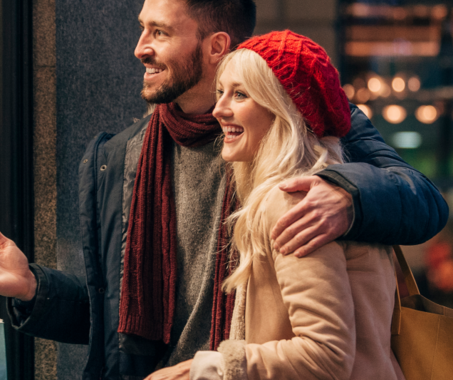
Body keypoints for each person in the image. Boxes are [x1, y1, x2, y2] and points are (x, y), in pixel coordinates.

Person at [0, 0, 448, 378]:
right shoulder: (118, 158)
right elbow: (116, 324)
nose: (140, 47)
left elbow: (422, 199)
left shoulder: (310, 127)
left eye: (159, 32)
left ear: (215, 46)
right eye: (142, 28)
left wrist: (345, 193)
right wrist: (34, 288)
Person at [155, 30, 403, 380]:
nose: (220, 109)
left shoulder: (294, 199)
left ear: (283, 109)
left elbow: (326, 356)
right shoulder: (332, 190)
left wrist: (209, 368)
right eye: (220, 92)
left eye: (240, 95)